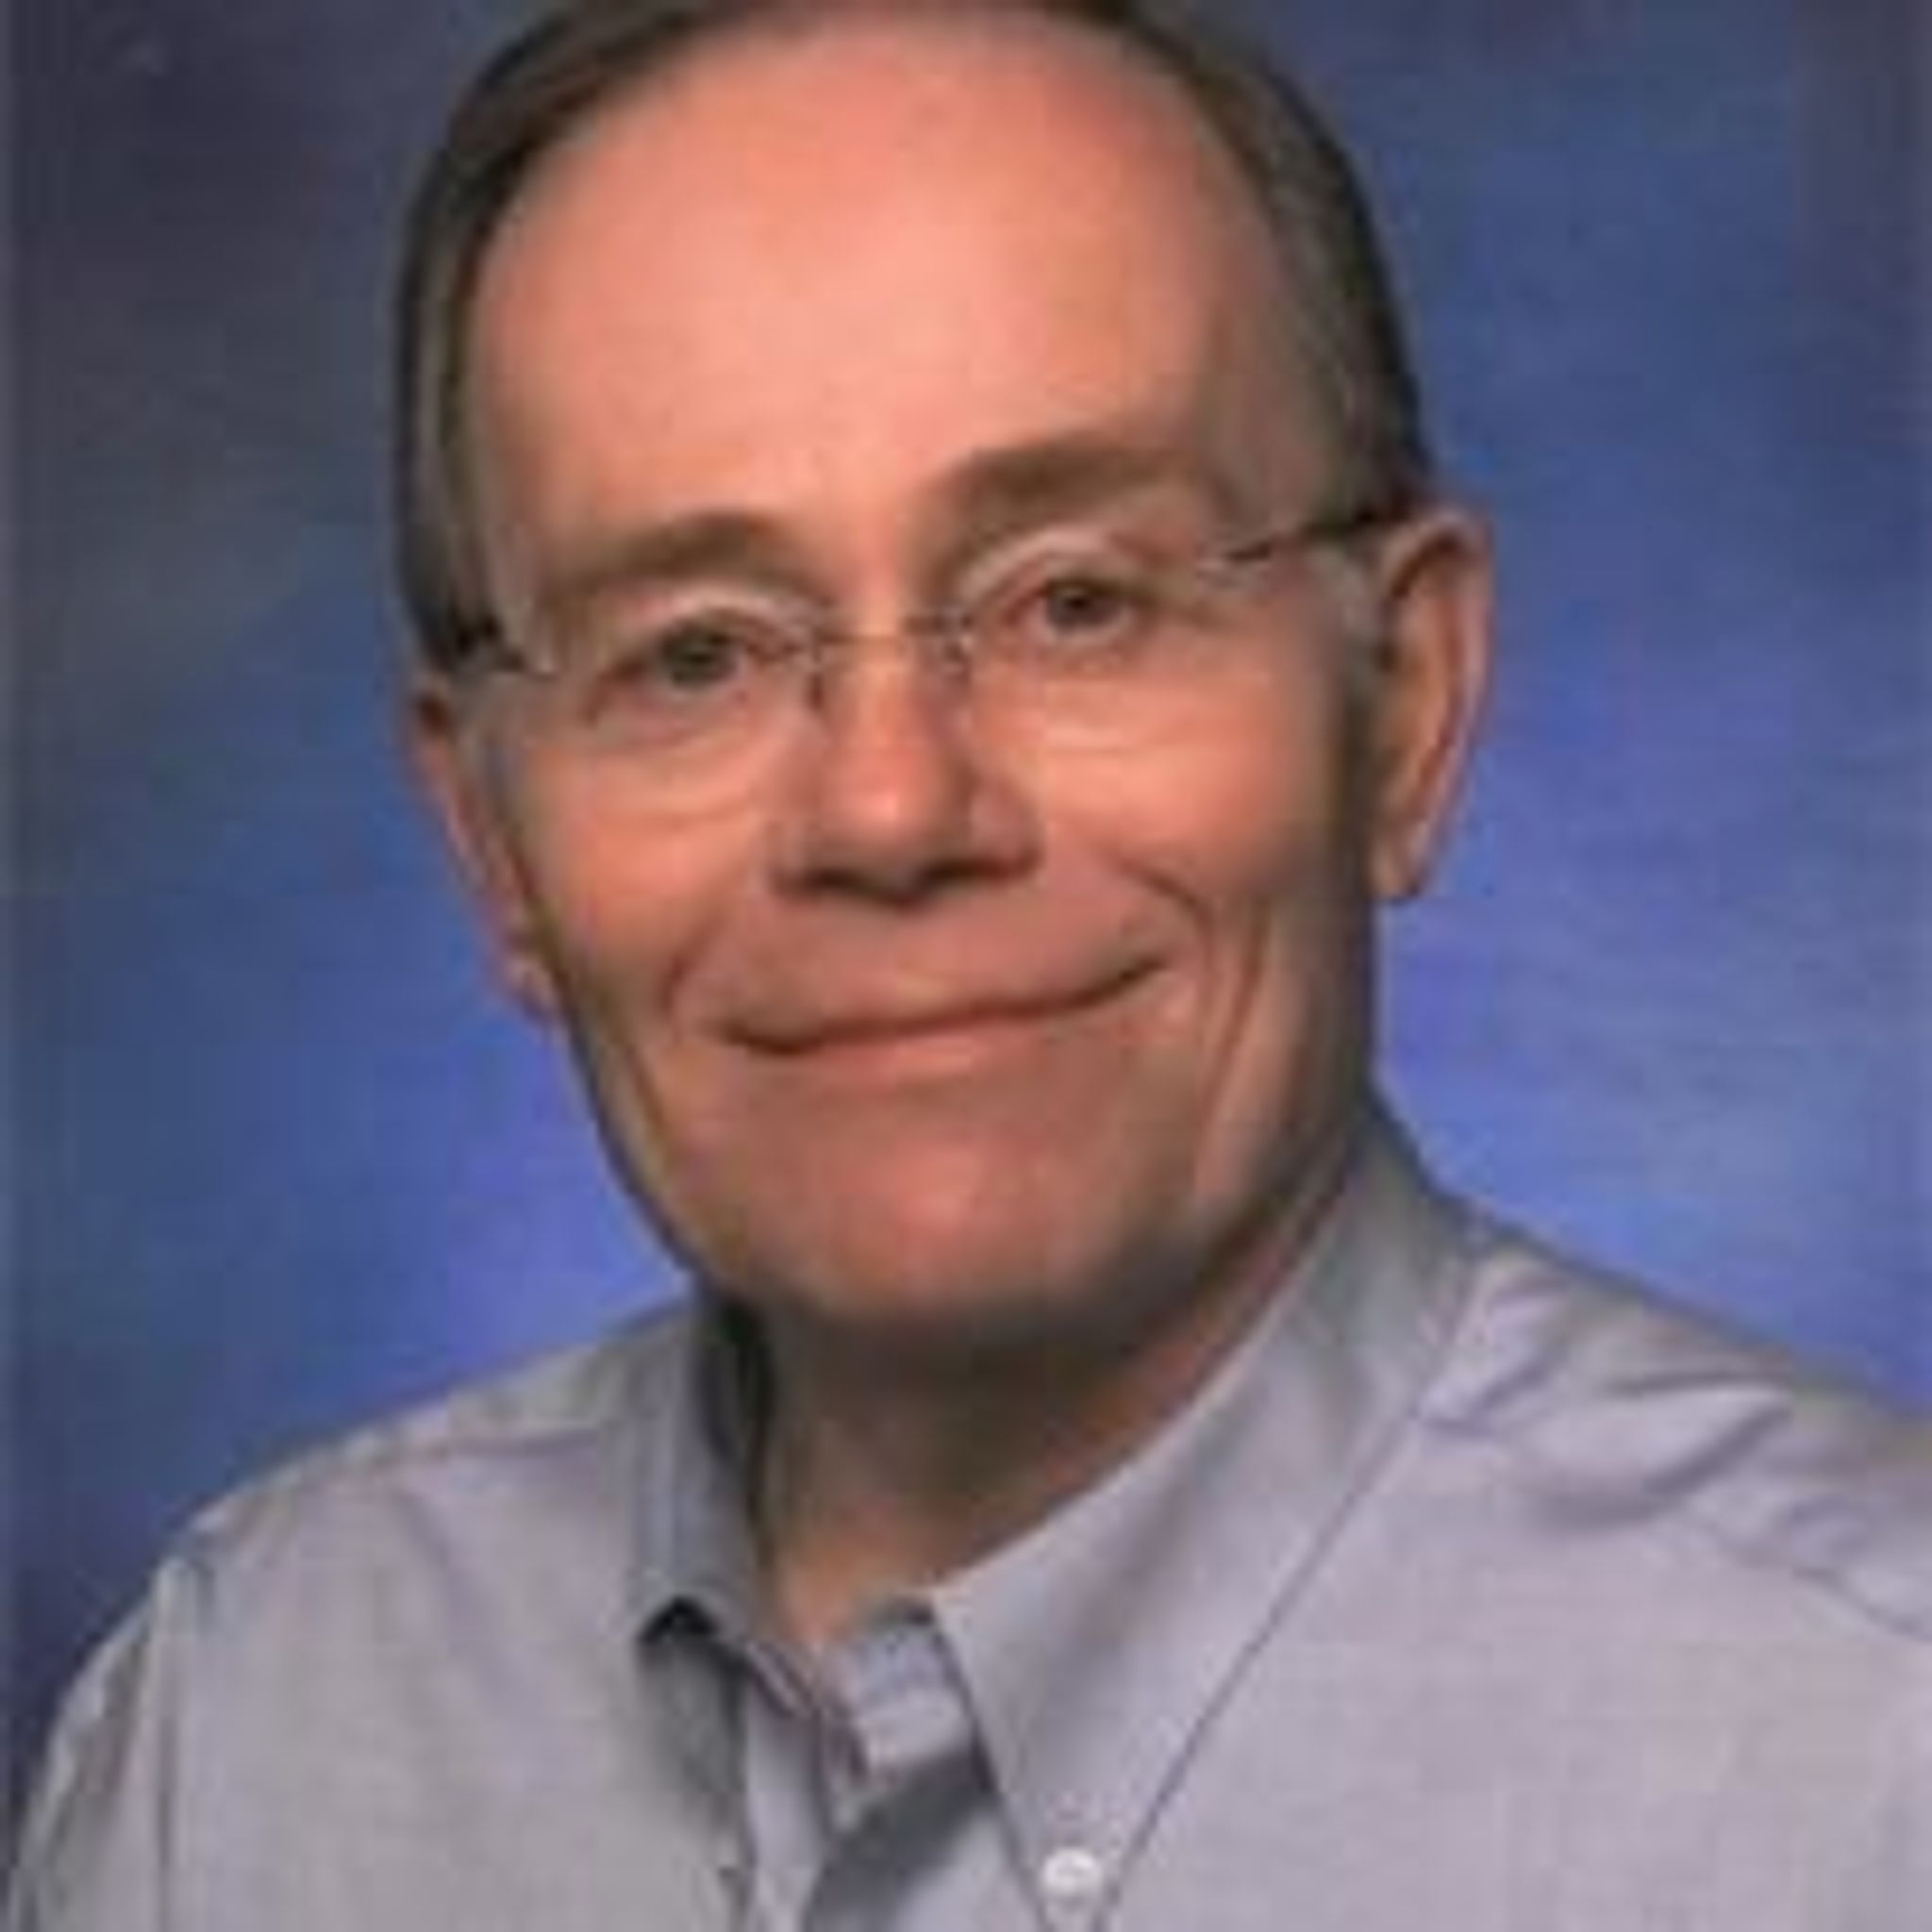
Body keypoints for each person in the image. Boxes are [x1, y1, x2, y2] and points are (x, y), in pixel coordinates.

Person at [8, 2, 1926, 1925]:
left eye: (1076, 601)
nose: (891, 808)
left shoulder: (1870, 1757)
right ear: (494, 839)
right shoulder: (242, 1732)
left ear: (1405, 703)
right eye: (695, 652)